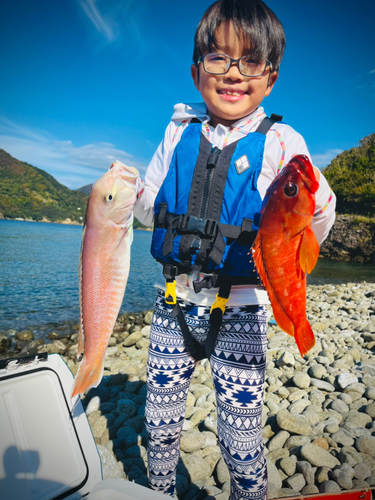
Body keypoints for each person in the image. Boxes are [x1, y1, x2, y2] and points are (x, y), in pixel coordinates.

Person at [133, 1, 336, 499]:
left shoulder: (284, 142)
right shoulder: (177, 131)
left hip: (243, 310)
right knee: (158, 423)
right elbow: (148, 210)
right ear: (196, 68)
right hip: (173, 304)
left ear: (270, 78)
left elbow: (320, 219)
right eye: (218, 58)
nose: (232, 73)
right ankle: (159, 491)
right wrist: (122, 195)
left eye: (250, 62)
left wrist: (309, 206)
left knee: (241, 436)